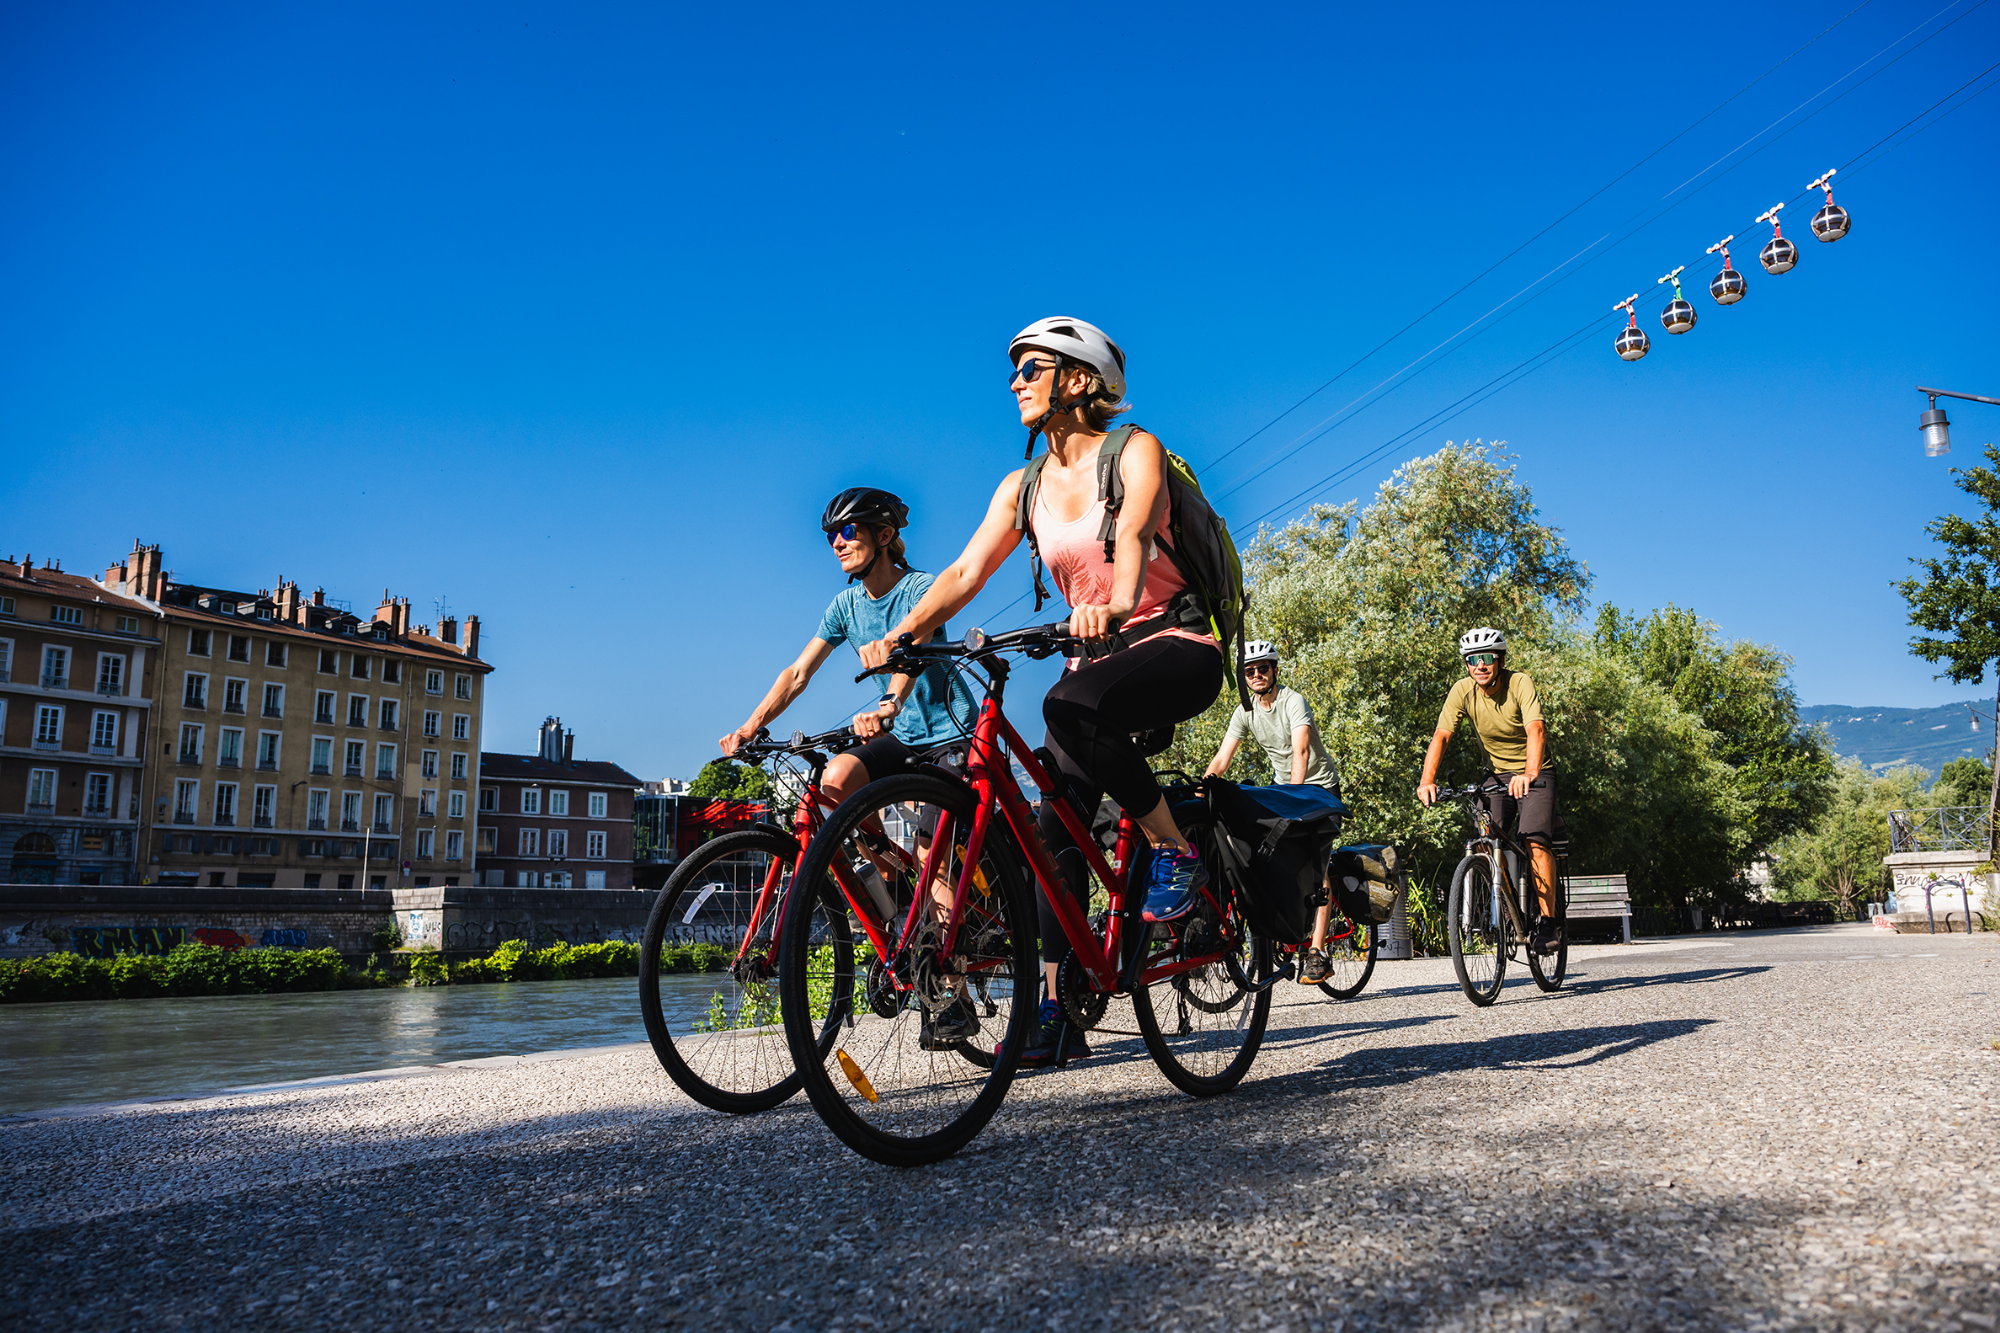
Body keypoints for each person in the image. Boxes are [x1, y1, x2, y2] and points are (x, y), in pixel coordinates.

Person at [857, 316, 1226, 1067]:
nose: (1016, 382)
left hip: (1175, 643)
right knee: (1050, 830)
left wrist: (1117, 603)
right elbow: (965, 573)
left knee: (1065, 704)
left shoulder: (1136, 450)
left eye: (1032, 368)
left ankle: (1174, 847)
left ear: (1079, 379)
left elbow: (1136, 533)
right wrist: (904, 633)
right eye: (1015, 371)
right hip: (1093, 664)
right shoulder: (1021, 487)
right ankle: (1059, 1010)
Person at [1202, 640, 1346, 982]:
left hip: (1317, 790)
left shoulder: (1293, 701)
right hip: (1285, 789)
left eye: (1263, 668)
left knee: (1316, 864)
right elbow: (1223, 758)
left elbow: (1301, 752)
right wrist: (1204, 787)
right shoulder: (1245, 710)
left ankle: (1318, 952)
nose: (1256, 674)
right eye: (1249, 670)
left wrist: (1294, 800)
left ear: (1275, 670)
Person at [1415, 627, 1561, 953]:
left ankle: (1548, 922)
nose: (1479, 665)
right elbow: (1441, 736)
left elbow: (1536, 730)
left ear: (1500, 660)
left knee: (1534, 840)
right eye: (1472, 660)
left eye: (1486, 658)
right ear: (1466, 665)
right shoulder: (1462, 690)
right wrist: (1427, 780)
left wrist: (1530, 773)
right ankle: (1507, 909)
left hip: (1536, 772)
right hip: (1496, 777)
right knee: (1484, 841)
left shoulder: (1519, 683)